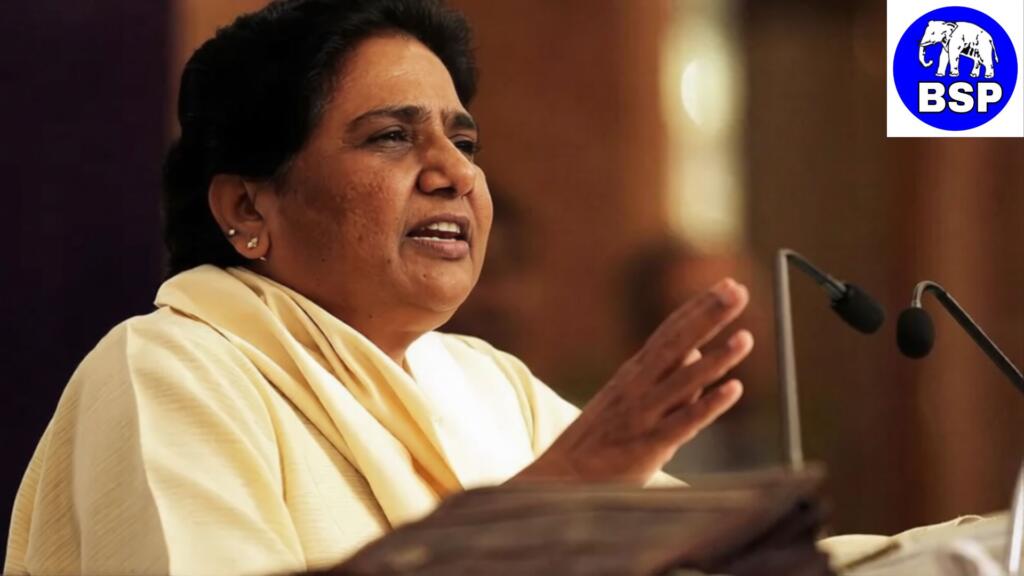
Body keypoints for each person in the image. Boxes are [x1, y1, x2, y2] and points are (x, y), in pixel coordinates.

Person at [4, 1, 753, 574]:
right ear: (247, 208)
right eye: (392, 136)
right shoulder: (171, 370)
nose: (456, 173)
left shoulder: (492, 388)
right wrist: (539, 513)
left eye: (464, 141)